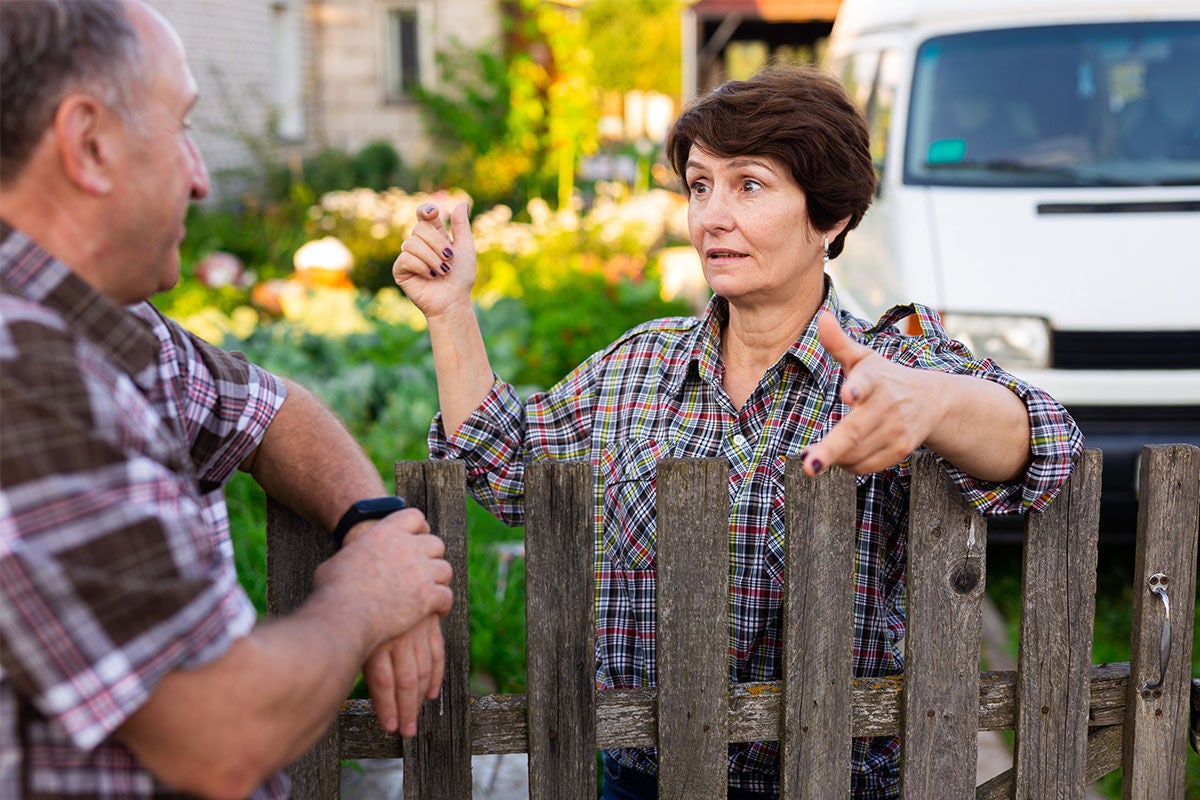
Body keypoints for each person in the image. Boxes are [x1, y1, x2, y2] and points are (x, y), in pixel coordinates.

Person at [393, 65, 1082, 798]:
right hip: (640, 777)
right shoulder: (639, 364)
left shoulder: (891, 365)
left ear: (830, 216)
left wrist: (934, 405)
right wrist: (450, 311)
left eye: (749, 185)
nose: (712, 216)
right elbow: (503, 463)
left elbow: (1044, 443)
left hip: (830, 779)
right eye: (699, 186)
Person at [0, 2, 452, 797]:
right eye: (181, 126)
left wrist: (370, 519)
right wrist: (367, 595)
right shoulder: (27, 374)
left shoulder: (105, 323)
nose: (201, 174)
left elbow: (268, 410)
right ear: (89, 143)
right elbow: (218, 733)